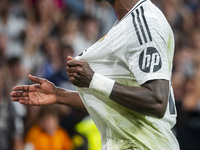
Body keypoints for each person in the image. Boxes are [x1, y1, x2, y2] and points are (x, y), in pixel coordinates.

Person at [10, 0, 180, 149]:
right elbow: (117, 100)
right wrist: (59, 95)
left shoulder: (144, 23)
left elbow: (157, 101)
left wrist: (93, 80)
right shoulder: (126, 24)